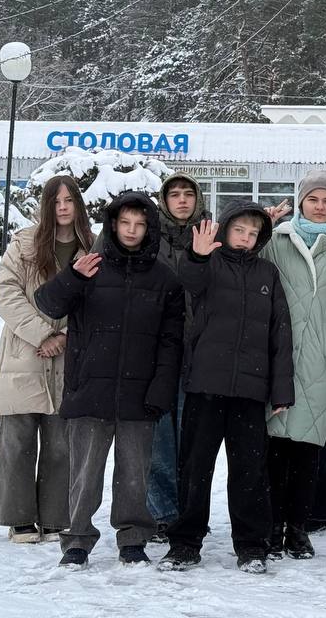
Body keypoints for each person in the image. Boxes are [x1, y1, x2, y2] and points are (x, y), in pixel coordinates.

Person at [34, 192, 184, 569]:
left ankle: (132, 538)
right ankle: (77, 540)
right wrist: (72, 276)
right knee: (84, 475)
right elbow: (48, 304)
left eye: (140, 224)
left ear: (149, 229)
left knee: (135, 475)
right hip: (90, 390)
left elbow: (171, 342)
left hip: (140, 395)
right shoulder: (90, 268)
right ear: (113, 225)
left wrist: (161, 388)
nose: (132, 231)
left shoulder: (165, 279)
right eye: (125, 223)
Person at [157, 205, 293, 575]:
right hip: (206, 385)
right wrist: (198, 256)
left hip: (250, 390)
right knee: (195, 469)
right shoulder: (209, 262)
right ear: (226, 230)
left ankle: (251, 545)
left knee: (250, 472)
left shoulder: (267, 273)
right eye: (239, 230)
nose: (245, 238)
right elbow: (189, 281)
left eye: (253, 233)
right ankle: (185, 544)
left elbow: (280, 331)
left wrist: (281, 389)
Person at [262, 170, 326, 560]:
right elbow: (247, 272)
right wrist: (262, 225)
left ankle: (298, 529)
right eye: (312, 200)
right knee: (274, 448)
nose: (320, 207)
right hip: (277, 359)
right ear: (300, 202)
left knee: (308, 448)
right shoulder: (276, 241)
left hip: (320, 362)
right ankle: (272, 526)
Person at [0, 176, 92, 544]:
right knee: (16, 441)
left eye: (69, 200)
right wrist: (42, 334)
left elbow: (100, 303)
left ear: (78, 204)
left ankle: (55, 515)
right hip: (24, 353)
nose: (63, 207)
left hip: (68, 356)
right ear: (46, 206)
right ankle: (18, 518)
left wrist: (65, 336)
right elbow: (7, 294)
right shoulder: (24, 245)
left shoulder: (92, 247)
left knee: (61, 443)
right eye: (55, 201)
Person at [146, 172, 211, 543]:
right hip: (155, 352)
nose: (183, 200)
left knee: (191, 440)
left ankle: (188, 512)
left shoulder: (212, 234)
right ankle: (162, 513)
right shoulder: (149, 236)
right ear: (164, 200)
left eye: (189, 193)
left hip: (199, 353)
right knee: (158, 439)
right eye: (175, 194)